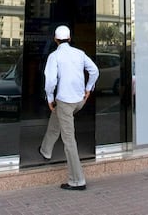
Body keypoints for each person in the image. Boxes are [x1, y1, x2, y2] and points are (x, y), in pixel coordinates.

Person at [38, 25, 99, 191]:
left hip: (65, 102)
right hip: (79, 100)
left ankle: (77, 181)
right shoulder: (79, 53)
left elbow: (50, 81)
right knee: (55, 121)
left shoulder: (54, 56)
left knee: (69, 141)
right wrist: (88, 89)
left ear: (55, 40)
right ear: (70, 39)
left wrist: (50, 98)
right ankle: (45, 150)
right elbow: (94, 71)